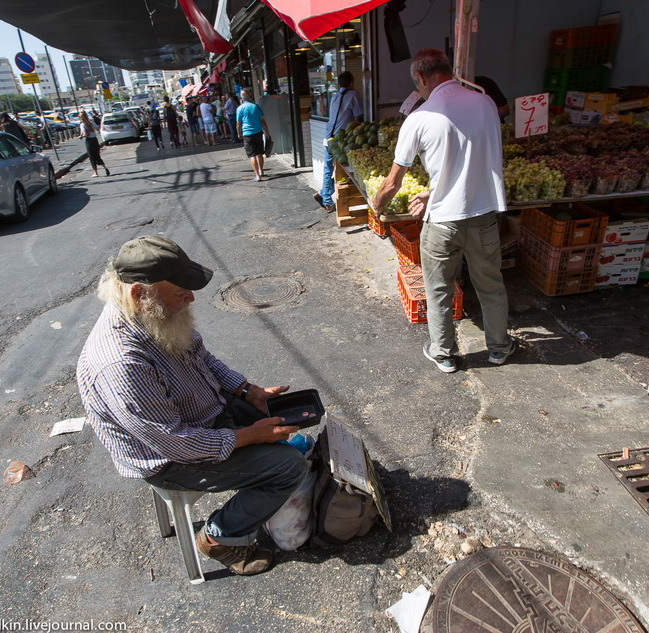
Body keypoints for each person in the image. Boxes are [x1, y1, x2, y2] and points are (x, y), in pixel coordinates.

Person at [76, 236, 307, 576]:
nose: (191, 298)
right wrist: (247, 436)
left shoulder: (151, 314)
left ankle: (257, 473)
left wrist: (247, 391)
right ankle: (220, 539)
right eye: (180, 291)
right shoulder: (120, 363)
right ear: (140, 294)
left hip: (203, 414)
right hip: (172, 457)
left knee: (286, 419)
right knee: (289, 467)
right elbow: (177, 443)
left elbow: (201, 357)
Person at [371, 48, 516, 371]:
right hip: (484, 216)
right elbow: (468, 161)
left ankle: (444, 354)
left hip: (442, 223)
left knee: (438, 290)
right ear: (449, 71)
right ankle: (498, 348)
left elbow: (394, 181)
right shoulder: (487, 103)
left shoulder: (419, 119)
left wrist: (377, 207)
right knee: (491, 286)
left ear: (421, 79)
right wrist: (431, 191)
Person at [315, 71, 363, 212]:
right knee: (345, 171)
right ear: (351, 83)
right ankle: (327, 199)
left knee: (328, 169)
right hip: (340, 141)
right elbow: (357, 119)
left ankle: (325, 197)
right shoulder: (353, 95)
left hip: (327, 137)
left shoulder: (335, 96)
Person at [236, 88, 271, 182]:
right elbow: (262, 121)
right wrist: (267, 133)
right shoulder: (255, 107)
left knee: (252, 155)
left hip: (247, 134)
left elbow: (238, 123)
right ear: (250, 96)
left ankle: (257, 176)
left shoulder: (239, 109)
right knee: (259, 153)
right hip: (258, 132)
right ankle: (261, 171)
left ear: (241, 98)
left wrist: (239, 133)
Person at [79, 111, 110, 178]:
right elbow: (98, 128)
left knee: (92, 157)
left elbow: (85, 134)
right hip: (95, 140)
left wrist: (81, 136)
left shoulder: (83, 125)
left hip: (89, 141)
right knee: (97, 155)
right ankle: (105, 168)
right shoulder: (92, 123)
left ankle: (95, 172)